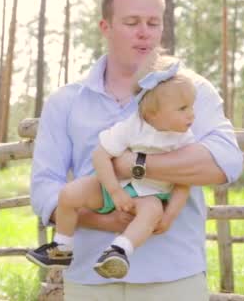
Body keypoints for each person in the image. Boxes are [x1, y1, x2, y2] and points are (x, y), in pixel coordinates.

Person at [29, 0, 243, 301]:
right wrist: (105, 220)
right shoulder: (65, 102)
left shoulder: (193, 91)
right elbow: (45, 188)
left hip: (173, 275)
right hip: (90, 280)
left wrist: (138, 166)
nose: (144, 31)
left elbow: (225, 162)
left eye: (153, 22)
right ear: (106, 26)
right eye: (131, 22)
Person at [26, 51, 197, 280]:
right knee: (68, 194)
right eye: (183, 109)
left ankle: (120, 250)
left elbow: (184, 183)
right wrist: (114, 190)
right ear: (154, 114)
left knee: (152, 211)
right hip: (112, 186)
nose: (192, 115)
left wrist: (170, 215)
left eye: (191, 107)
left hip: (149, 195)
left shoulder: (184, 140)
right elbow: (101, 155)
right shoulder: (131, 126)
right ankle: (62, 246)